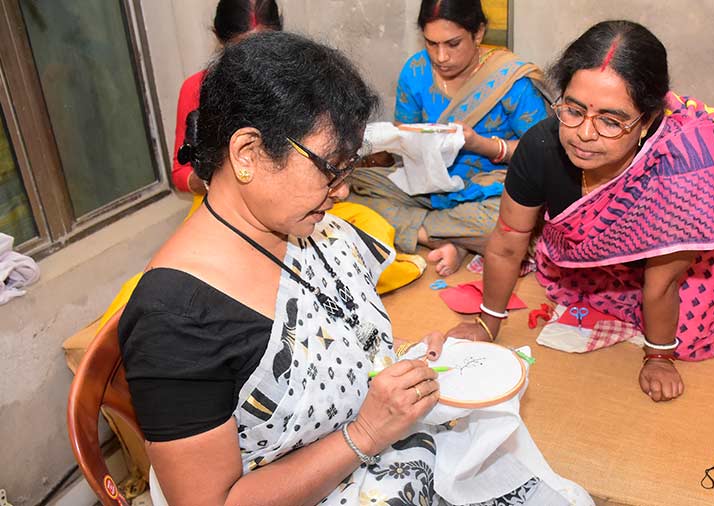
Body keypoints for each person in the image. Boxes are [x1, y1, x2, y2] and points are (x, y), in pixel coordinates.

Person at [119, 32, 584, 506]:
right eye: (330, 168)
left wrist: (413, 362)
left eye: (349, 168)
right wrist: (364, 432)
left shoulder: (313, 232)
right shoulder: (175, 319)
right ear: (247, 154)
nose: (342, 190)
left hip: (385, 456)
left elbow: (334, 348)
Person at [448, 20, 714, 402]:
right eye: (573, 109)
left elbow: (663, 284)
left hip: (668, 265)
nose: (585, 133)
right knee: (562, 286)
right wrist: (488, 324)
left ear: (647, 121)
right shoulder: (541, 146)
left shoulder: (682, 175)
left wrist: (659, 358)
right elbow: (507, 242)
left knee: (689, 335)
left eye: (610, 120)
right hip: (584, 261)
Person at [348, 0, 548, 276]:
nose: (441, 57)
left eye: (453, 44)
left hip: (489, 191)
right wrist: (405, 140)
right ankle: (452, 238)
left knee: (511, 222)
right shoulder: (416, 71)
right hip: (427, 187)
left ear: (478, 33)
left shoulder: (511, 80)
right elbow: (402, 141)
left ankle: (426, 233)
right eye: (431, 44)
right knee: (347, 187)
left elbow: (541, 154)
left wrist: (481, 145)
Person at [171, 0, 282, 195]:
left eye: (263, 47)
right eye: (240, 51)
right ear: (219, 38)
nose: (252, 59)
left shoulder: (302, 80)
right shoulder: (197, 88)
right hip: (225, 205)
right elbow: (181, 173)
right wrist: (216, 181)